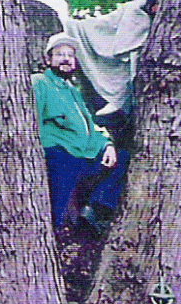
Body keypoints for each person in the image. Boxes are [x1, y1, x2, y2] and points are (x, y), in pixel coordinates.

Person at [31, 32, 129, 233]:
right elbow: (32, 121)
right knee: (58, 204)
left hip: (84, 152)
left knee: (123, 157)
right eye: (59, 54)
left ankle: (94, 208)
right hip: (59, 152)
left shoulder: (73, 91)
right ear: (48, 60)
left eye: (70, 55)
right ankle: (56, 239)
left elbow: (91, 125)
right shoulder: (39, 82)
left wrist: (107, 145)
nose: (66, 59)